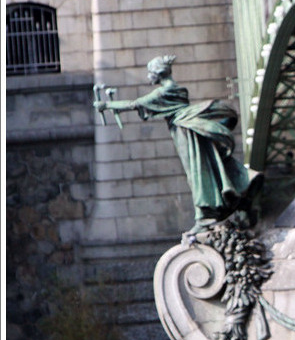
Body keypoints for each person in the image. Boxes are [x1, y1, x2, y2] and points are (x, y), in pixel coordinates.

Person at [94, 55, 263, 235]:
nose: (148, 76)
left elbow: (134, 104)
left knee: (196, 174)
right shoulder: (177, 89)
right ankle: (232, 202)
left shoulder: (162, 93)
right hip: (189, 129)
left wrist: (106, 105)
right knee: (205, 168)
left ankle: (204, 217)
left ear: (158, 73)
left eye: (150, 72)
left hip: (185, 133)